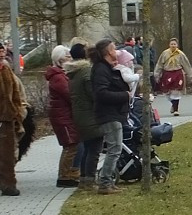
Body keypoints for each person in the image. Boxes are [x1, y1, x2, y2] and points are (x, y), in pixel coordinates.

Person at [91, 39, 132, 195]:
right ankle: (105, 183)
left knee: (115, 148)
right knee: (114, 149)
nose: (117, 52)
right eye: (114, 49)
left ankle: (107, 182)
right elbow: (101, 93)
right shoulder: (101, 69)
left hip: (113, 113)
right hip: (108, 114)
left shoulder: (107, 68)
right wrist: (124, 95)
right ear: (108, 52)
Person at [45, 45, 80, 188]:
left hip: (64, 115)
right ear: (60, 59)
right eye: (68, 56)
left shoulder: (61, 75)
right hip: (62, 116)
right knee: (70, 144)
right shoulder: (59, 77)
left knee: (71, 144)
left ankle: (69, 173)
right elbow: (69, 95)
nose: (70, 59)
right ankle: (64, 176)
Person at [68, 43, 101, 191]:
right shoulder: (86, 71)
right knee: (94, 149)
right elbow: (92, 94)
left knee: (87, 147)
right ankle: (89, 180)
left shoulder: (74, 71)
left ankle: (83, 179)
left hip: (80, 114)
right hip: (90, 115)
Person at [0, 43, 27, 196]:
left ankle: (8, 184)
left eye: (3, 56)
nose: (2, 59)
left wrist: (18, 111)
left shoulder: (6, 70)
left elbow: (16, 92)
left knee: (8, 154)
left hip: (8, 118)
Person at [153, 38, 192, 116]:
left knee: (176, 92)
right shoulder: (164, 53)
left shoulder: (180, 54)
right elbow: (159, 64)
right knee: (167, 92)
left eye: (174, 44)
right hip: (167, 74)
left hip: (177, 74)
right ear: (169, 45)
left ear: (177, 45)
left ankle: (176, 109)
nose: (173, 45)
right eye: (172, 44)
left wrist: (190, 75)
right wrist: (157, 74)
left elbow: (186, 65)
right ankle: (173, 104)